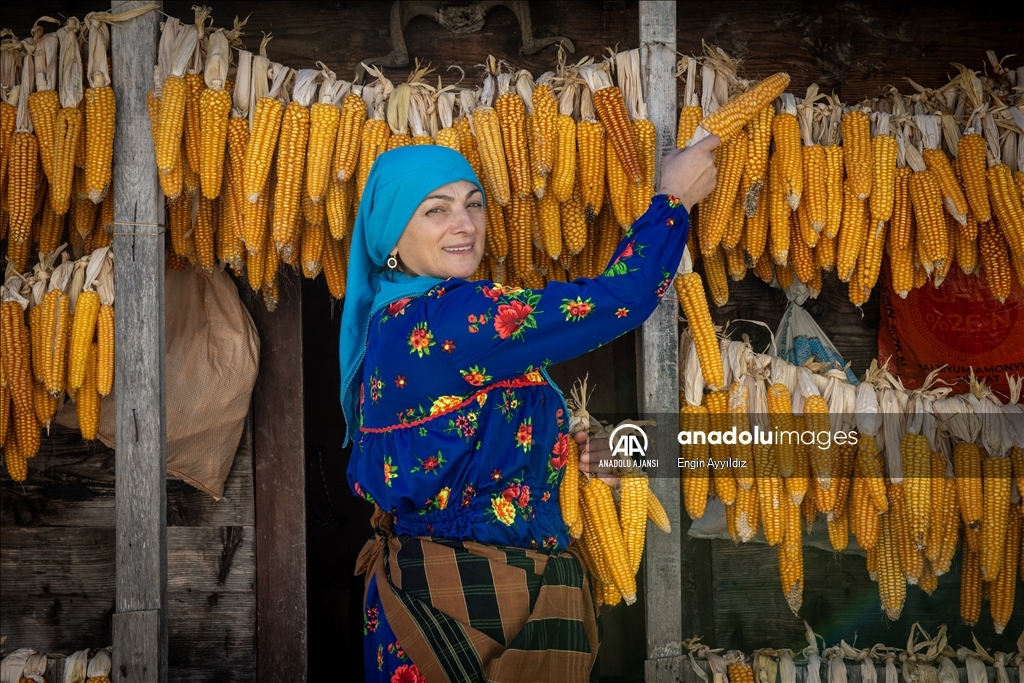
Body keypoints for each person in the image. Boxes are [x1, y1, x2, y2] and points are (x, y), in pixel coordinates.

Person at [342, 138, 718, 683]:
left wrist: (566, 454)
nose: (464, 224)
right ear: (391, 238)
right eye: (435, 210)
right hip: (473, 610)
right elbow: (621, 300)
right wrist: (674, 197)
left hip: (428, 594)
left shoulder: (390, 320)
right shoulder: (453, 319)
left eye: (473, 203)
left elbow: (463, 443)